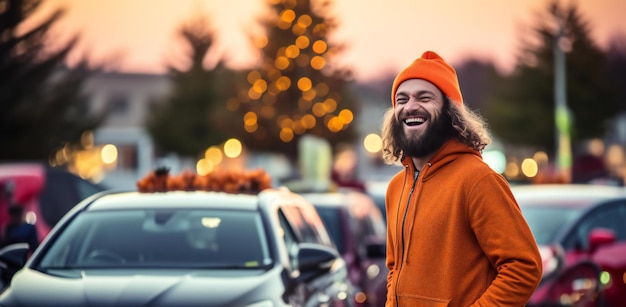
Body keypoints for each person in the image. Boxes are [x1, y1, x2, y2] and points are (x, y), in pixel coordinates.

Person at [380, 51, 542, 306]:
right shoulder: (395, 188)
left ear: (449, 111)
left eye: (425, 97)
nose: (410, 106)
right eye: (402, 99)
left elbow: (523, 267)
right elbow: (394, 269)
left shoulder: (478, 180)